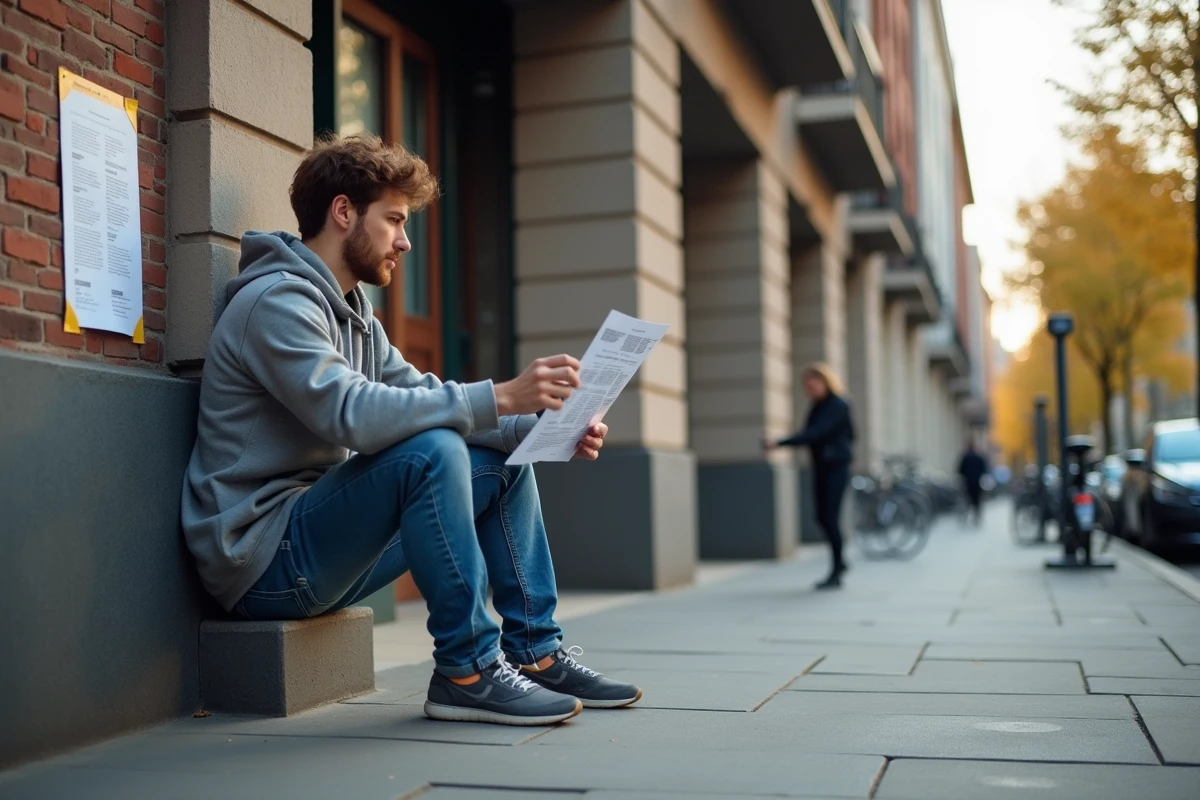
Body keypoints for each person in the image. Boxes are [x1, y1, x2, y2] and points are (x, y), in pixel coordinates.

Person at [181, 134, 641, 727]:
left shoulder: (358, 321)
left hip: (321, 545)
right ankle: (466, 670)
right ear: (343, 211)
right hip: (262, 561)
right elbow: (350, 413)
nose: (404, 239)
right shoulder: (276, 303)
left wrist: (542, 426)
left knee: (502, 460)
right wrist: (500, 395)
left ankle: (536, 654)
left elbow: (418, 393)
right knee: (433, 448)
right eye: (394, 219)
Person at [763, 363, 855, 590]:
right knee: (821, 517)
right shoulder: (817, 406)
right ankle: (840, 561)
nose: (810, 390)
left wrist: (780, 442)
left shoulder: (838, 404)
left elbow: (815, 433)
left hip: (836, 467)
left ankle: (836, 570)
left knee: (830, 518)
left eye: (813, 385)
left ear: (825, 382)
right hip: (822, 466)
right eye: (807, 386)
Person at [958, 439, 989, 526]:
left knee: (968, 500)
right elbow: (984, 469)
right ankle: (977, 516)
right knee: (977, 500)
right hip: (977, 482)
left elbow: (960, 470)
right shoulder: (978, 457)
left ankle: (968, 516)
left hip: (968, 482)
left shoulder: (965, 457)